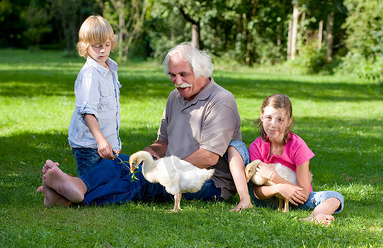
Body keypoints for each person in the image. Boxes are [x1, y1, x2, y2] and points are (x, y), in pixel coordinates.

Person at [39, 42, 252, 211]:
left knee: (145, 179)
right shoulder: (175, 97)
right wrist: (145, 155)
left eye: (183, 74)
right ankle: (78, 185)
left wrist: (164, 168)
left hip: (208, 181)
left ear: (201, 71)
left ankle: (75, 200)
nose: (177, 81)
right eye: (172, 75)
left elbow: (209, 157)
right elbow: (163, 143)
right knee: (119, 162)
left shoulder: (221, 100)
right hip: (174, 167)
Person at [248, 94, 344, 226]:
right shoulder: (256, 147)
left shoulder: (298, 146)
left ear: (289, 121)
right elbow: (257, 192)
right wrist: (278, 189)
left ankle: (314, 217)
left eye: (280, 120)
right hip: (268, 198)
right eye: (269, 118)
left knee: (335, 197)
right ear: (261, 117)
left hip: (296, 199)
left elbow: (304, 194)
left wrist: (275, 177)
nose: (273, 124)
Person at [68, 15, 122, 176]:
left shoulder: (110, 69)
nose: (103, 50)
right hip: (89, 146)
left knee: (109, 183)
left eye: (107, 44)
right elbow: (88, 112)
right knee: (92, 192)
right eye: (97, 46)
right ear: (85, 47)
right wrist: (101, 141)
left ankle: (61, 185)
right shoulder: (89, 75)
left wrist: (112, 142)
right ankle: (55, 185)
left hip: (107, 144)